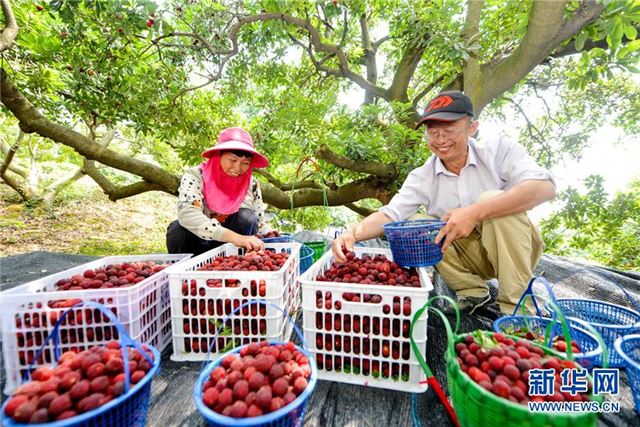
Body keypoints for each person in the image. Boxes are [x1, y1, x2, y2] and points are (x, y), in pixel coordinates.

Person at [332, 90, 556, 315]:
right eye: (433, 132)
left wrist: (475, 212)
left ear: (472, 128)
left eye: (449, 130)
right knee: (414, 223)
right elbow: (391, 214)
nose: (440, 140)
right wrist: (353, 233)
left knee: (493, 200)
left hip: (516, 250)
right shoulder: (423, 176)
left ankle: (518, 311)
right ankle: (472, 290)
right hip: (472, 258)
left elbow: (544, 188)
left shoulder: (499, 151)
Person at [166, 127, 271, 256]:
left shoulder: (252, 184)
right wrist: (236, 238)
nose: (237, 168)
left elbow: (259, 222)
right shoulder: (196, 175)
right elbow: (188, 214)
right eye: (232, 160)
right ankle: (188, 271)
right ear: (218, 156)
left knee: (246, 217)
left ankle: (237, 266)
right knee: (177, 231)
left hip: (232, 252)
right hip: (198, 242)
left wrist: (275, 236)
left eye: (245, 163)